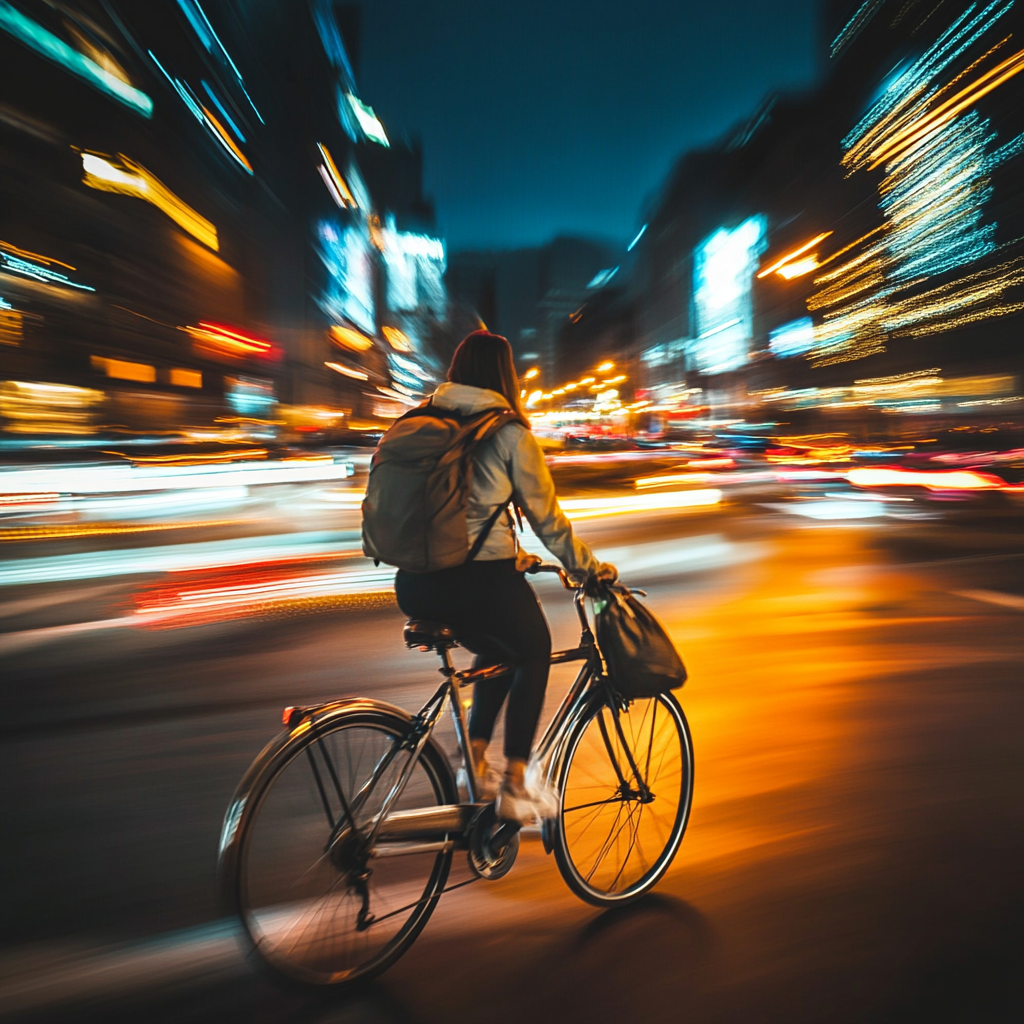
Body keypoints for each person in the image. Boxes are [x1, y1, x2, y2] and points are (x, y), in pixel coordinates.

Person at [393, 330, 617, 823]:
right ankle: (515, 783)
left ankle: (472, 761)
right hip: (475, 582)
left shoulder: (420, 418)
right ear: (504, 375)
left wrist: (507, 553)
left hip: (412, 582)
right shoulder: (509, 432)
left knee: (497, 645)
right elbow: (548, 520)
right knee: (531, 648)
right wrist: (589, 569)